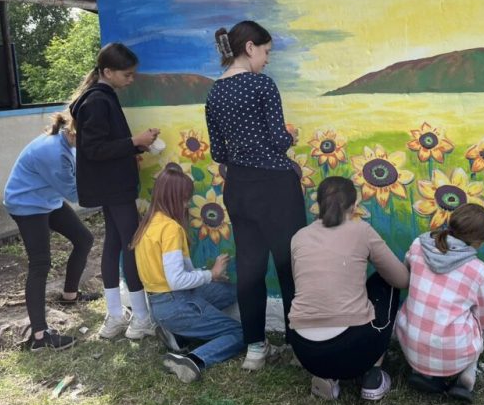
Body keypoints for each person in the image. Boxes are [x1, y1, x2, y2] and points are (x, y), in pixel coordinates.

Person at [205, 20, 307, 370]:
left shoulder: (214, 92)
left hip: (239, 189)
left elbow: (219, 152)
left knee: (250, 268)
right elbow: (277, 141)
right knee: (288, 265)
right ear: (250, 48)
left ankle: (255, 349)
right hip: (275, 187)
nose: (266, 60)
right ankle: (298, 345)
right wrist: (289, 136)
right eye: (266, 52)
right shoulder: (262, 85)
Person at [288, 176, 409, 401]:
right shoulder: (362, 230)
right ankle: (373, 374)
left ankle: (326, 377)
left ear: (319, 204)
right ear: (354, 207)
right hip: (353, 350)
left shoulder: (299, 237)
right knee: (386, 283)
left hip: (304, 350)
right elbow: (401, 280)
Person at [69, 42, 160, 340]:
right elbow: (93, 148)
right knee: (131, 244)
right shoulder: (98, 101)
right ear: (108, 72)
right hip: (115, 187)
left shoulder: (99, 97)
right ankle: (142, 319)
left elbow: (102, 146)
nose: (131, 80)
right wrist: (134, 140)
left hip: (108, 184)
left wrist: (130, 149)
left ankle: (115, 316)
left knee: (113, 246)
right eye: (128, 74)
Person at [131, 162, 244, 382]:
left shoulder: (149, 222)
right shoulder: (171, 229)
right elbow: (177, 279)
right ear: (174, 198)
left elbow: (175, 272)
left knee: (229, 292)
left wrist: (211, 276)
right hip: (177, 302)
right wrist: (211, 274)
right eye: (185, 199)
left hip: (160, 304)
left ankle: (178, 336)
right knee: (240, 333)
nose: (187, 204)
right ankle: (193, 360)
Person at [395, 203, 484, 402]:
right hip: (452, 353)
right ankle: (467, 376)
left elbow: (407, 276)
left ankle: (425, 375)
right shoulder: (477, 269)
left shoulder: (418, 245)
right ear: (479, 242)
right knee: (475, 320)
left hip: (409, 344)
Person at [4, 112, 97, 351]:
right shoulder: (53, 152)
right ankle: (39, 337)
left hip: (46, 199)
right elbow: (78, 195)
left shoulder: (68, 141)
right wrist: (113, 189)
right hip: (26, 204)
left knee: (84, 239)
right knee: (40, 264)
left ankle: (69, 296)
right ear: (74, 131)